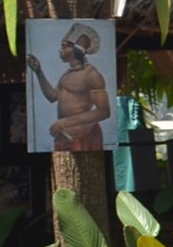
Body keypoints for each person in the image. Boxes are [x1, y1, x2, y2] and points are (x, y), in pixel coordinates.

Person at [27, 22, 112, 151]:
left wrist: (63, 123)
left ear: (77, 49)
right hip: (64, 134)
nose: (60, 50)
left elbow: (104, 112)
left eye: (64, 46)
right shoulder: (68, 73)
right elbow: (53, 96)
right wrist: (39, 72)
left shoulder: (92, 74)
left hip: (84, 135)